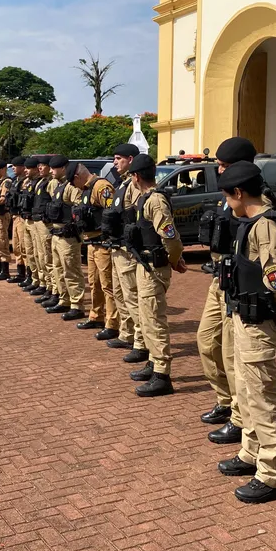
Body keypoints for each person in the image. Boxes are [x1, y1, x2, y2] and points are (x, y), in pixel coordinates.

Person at [212, 161, 276, 504]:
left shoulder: (265, 225)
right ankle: (251, 453)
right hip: (243, 315)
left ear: (238, 192)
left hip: (259, 322)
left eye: (227, 195)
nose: (227, 203)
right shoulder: (251, 221)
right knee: (247, 391)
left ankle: (273, 474)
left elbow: (275, 275)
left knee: (262, 397)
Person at [197, 137, 259, 446]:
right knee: (207, 342)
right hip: (218, 278)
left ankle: (239, 417)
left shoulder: (255, 201)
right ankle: (226, 400)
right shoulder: (228, 198)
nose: (219, 171)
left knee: (233, 356)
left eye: (224, 166)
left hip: (237, 286)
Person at [125, 154, 187, 396]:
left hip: (154, 267)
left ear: (136, 176)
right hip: (145, 264)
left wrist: (174, 260)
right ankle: (153, 361)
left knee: (154, 318)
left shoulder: (156, 201)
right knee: (145, 316)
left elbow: (170, 237)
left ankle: (162, 374)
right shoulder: (145, 198)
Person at [103, 144, 146, 361]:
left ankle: (142, 342)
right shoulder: (122, 184)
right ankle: (127, 333)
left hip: (128, 251)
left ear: (130, 159)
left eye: (118, 158)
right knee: (120, 295)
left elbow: (137, 217)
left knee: (132, 297)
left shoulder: (134, 185)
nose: (114, 163)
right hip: (116, 247)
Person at [72, 159, 119, 340]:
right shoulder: (86, 189)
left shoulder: (101, 187)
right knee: (94, 282)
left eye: (72, 181)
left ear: (78, 176)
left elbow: (112, 214)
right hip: (92, 243)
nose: (72, 185)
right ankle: (96, 315)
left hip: (103, 243)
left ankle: (112, 323)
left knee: (107, 285)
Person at [43, 157, 87, 319]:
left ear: (63, 169)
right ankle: (64, 299)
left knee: (71, 270)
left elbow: (79, 207)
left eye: (54, 169)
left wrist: (73, 225)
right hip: (56, 233)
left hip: (68, 235)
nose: (51, 171)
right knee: (58, 269)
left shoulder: (71, 187)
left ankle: (77, 304)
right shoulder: (59, 186)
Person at [30, 157, 56, 304]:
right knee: (40, 255)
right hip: (37, 221)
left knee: (48, 257)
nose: (40, 168)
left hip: (46, 224)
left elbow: (55, 204)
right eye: (39, 166)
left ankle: (53, 289)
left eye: (43, 166)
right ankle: (46, 285)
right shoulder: (41, 181)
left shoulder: (51, 183)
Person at [18, 158, 41, 290]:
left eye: (28, 168)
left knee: (41, 255)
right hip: (27, 219)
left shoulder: (45, 183)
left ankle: (44, 284)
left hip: (37, 221)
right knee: (29, 252)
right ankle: (34, 278)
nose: (25, 171)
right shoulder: (28, 182)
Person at [7, 157, 30, 284]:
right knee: (16, 247)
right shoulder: (15, 181)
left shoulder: (26, 182)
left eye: (16, 166)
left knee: (24, 247)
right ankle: (20, 273)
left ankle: (29, 275)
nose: (14, 169)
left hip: (22, 217)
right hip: (15, 216)